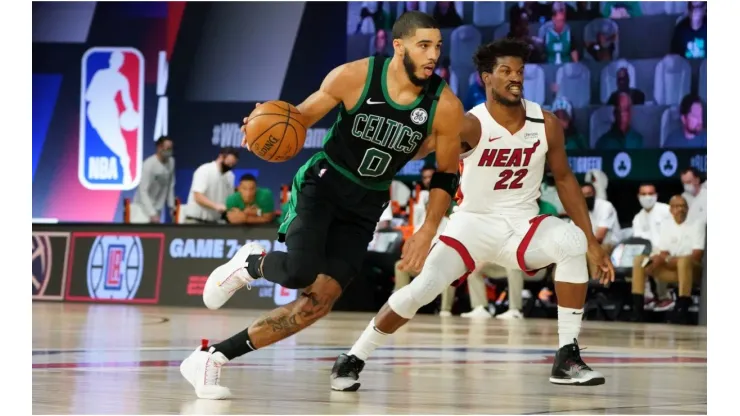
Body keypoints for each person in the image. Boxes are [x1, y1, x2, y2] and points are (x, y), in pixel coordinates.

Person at [179, 11, 464, 400]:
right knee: (299, 270)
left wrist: (428, 229)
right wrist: (259, 125)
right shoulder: (353, 76)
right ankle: (251, 263)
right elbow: (297, 119)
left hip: (366, 204)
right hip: (323, 186)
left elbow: (447, 174)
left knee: (318, 303)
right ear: (399, 47)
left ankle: (212, 358)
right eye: (424, 45)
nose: (433, 55)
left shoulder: (444, 105)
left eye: (438, 47)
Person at [331, 38, 614, 391]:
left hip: (522, 224)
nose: (515, 78)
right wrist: (413, 122)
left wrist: (590, 240)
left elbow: (566, 179)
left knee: (571, 241)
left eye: (520, 71)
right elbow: (420, 152)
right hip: (471, 224)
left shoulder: (546, 123)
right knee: (423, 289)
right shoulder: (469, 124)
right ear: (486, 78)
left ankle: (567, 357)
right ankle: (354, 356)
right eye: (505, 71)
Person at [182, 147, 239, 224]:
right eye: (228, 163)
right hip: (195, 220)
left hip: (214, 223)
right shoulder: (205, 170)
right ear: (221, 157)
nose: (230, 166)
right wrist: (216, 206)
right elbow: (198, 196)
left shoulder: (230, 176)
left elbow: (229, 199)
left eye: (233, 164)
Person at [130, 136, 175, 223]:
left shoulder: (171, 162)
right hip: (142, 208)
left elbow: (170, 185)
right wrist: (151, 213)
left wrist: (171, 206)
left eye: (171, 148)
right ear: (159, 148)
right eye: (167, 148)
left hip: (158, 207)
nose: (169, 151)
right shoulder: (148, 164)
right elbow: (143, 190)